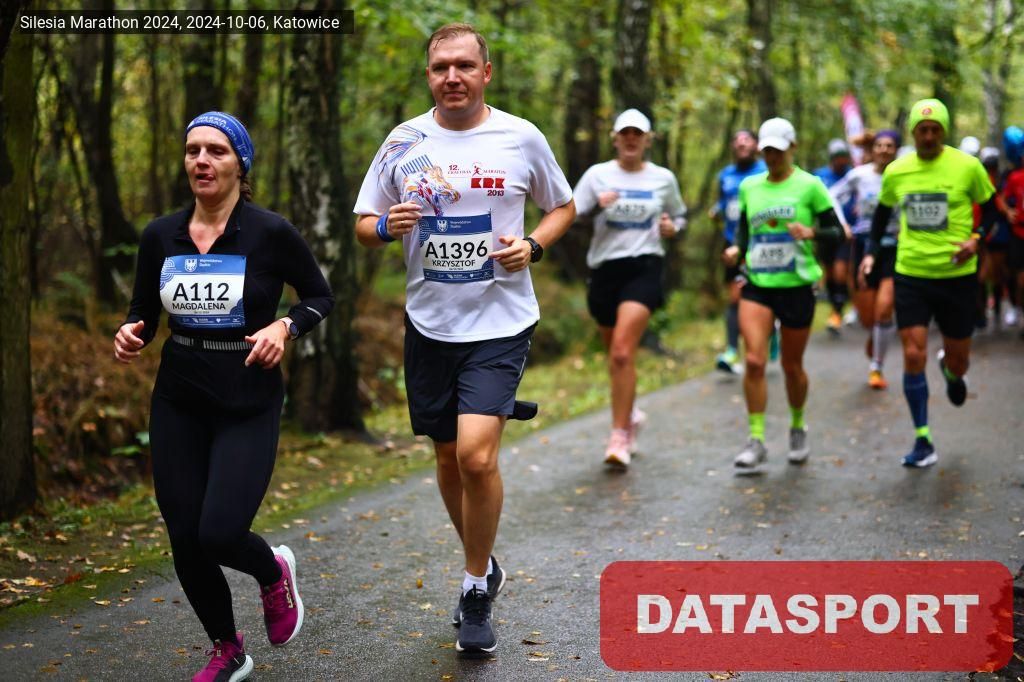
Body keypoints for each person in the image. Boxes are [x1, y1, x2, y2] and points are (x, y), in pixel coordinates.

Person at [352, 23, 575, 655]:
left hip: (501, 320)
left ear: (486, 73)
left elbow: (563, 206)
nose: (452, 77)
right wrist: (384, 227)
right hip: (429, 321)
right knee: (448, 457)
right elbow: (363, 222)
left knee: (477, 456)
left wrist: (532, 246)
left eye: (464, 66)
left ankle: (475, 586)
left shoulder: (520, 136)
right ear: (429, 75)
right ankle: (486, 561)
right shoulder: (404, 140)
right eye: (440, 67)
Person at [114, 112, 332, 681]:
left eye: (216, 151)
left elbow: (318, 295)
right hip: (179, 397)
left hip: (247, 397)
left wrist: (284, 326)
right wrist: (132, 331)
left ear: (241, 164)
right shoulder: (160, 235)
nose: (202, 161)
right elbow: (144, 311)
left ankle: (272, 571)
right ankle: (227, 647)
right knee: (185, 536)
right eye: (193, 151)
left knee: (219, 533)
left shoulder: (270, 232)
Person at [860, 99, 997, 468]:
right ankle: (923, 438)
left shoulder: (967, 167)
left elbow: (992, 209)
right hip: (912, 274)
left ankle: (951, 371)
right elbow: (880, 217)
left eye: (936, 129)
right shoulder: (897, 171)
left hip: (957, 277)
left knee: (960, 359)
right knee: (912, 354)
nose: (929, 136)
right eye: (923, 130)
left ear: (944, 131)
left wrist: (976, 239)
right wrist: (871, 253)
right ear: (914, 133)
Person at [724, 118, 845, 474]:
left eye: (778, 150)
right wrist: (736, 251)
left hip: (796, 285)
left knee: (792, 367)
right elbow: (744, 232)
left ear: (792, 148)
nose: (772, 156)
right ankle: (756, 440)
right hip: (758, 284)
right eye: (767, 150)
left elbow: (837, 233)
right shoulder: (749, 187)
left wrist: (811, 232)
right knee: (755, 361)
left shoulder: (811, 186)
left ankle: (797, 424)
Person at [573, 108, 687, 468]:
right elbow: (570, 215)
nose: (631, 139)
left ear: (648, 140)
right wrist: (596, 206)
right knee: (615, 356)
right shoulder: (597, 175)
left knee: (623, 352)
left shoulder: (663, 178)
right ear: (615, 139)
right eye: (626, 133)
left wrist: (673, 228)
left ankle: (619, 435)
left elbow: (679, 215)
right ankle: (631, 414)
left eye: (638, 134)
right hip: (605, 270)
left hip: (645, 268)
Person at [831, 130, 902, 389]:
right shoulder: (859, 175)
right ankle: (876, 337)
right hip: (863, 245)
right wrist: (843, 224)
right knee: (868, 317)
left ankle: (876, 368)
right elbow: (831, 196)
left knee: (884, 309)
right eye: (879, 145)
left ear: (896, 150)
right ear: (873, 150)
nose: (884, 150)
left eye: (889, 146)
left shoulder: (904, 175)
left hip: (894, 246)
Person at [710, 129, 768, 374]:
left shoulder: (765, 171)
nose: (742, 144)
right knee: (734, 298)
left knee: (764, 297)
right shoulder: (725, 175)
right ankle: (732, 351)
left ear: (756, 145)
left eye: (747, 140)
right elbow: (722, 203)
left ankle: (769, 335)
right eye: (737, 140)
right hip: (732, 243)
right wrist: (716, 211)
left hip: (761, 243)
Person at [814, 138, 855, 334]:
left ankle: (837, 312)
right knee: (829, 273)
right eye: (837, 157)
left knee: (841, 272)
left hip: (845, 232)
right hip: (824, 232)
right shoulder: (819, 176)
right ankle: (834, 307)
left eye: (844, 156)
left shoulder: (852, 175)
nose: (841, 160)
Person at [1002, 126, 1024, 334]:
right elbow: (1001, 198)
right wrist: (1008, 212)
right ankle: (1017, 308)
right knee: (1019, 277)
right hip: (1018, 233)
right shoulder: (1015, 177)